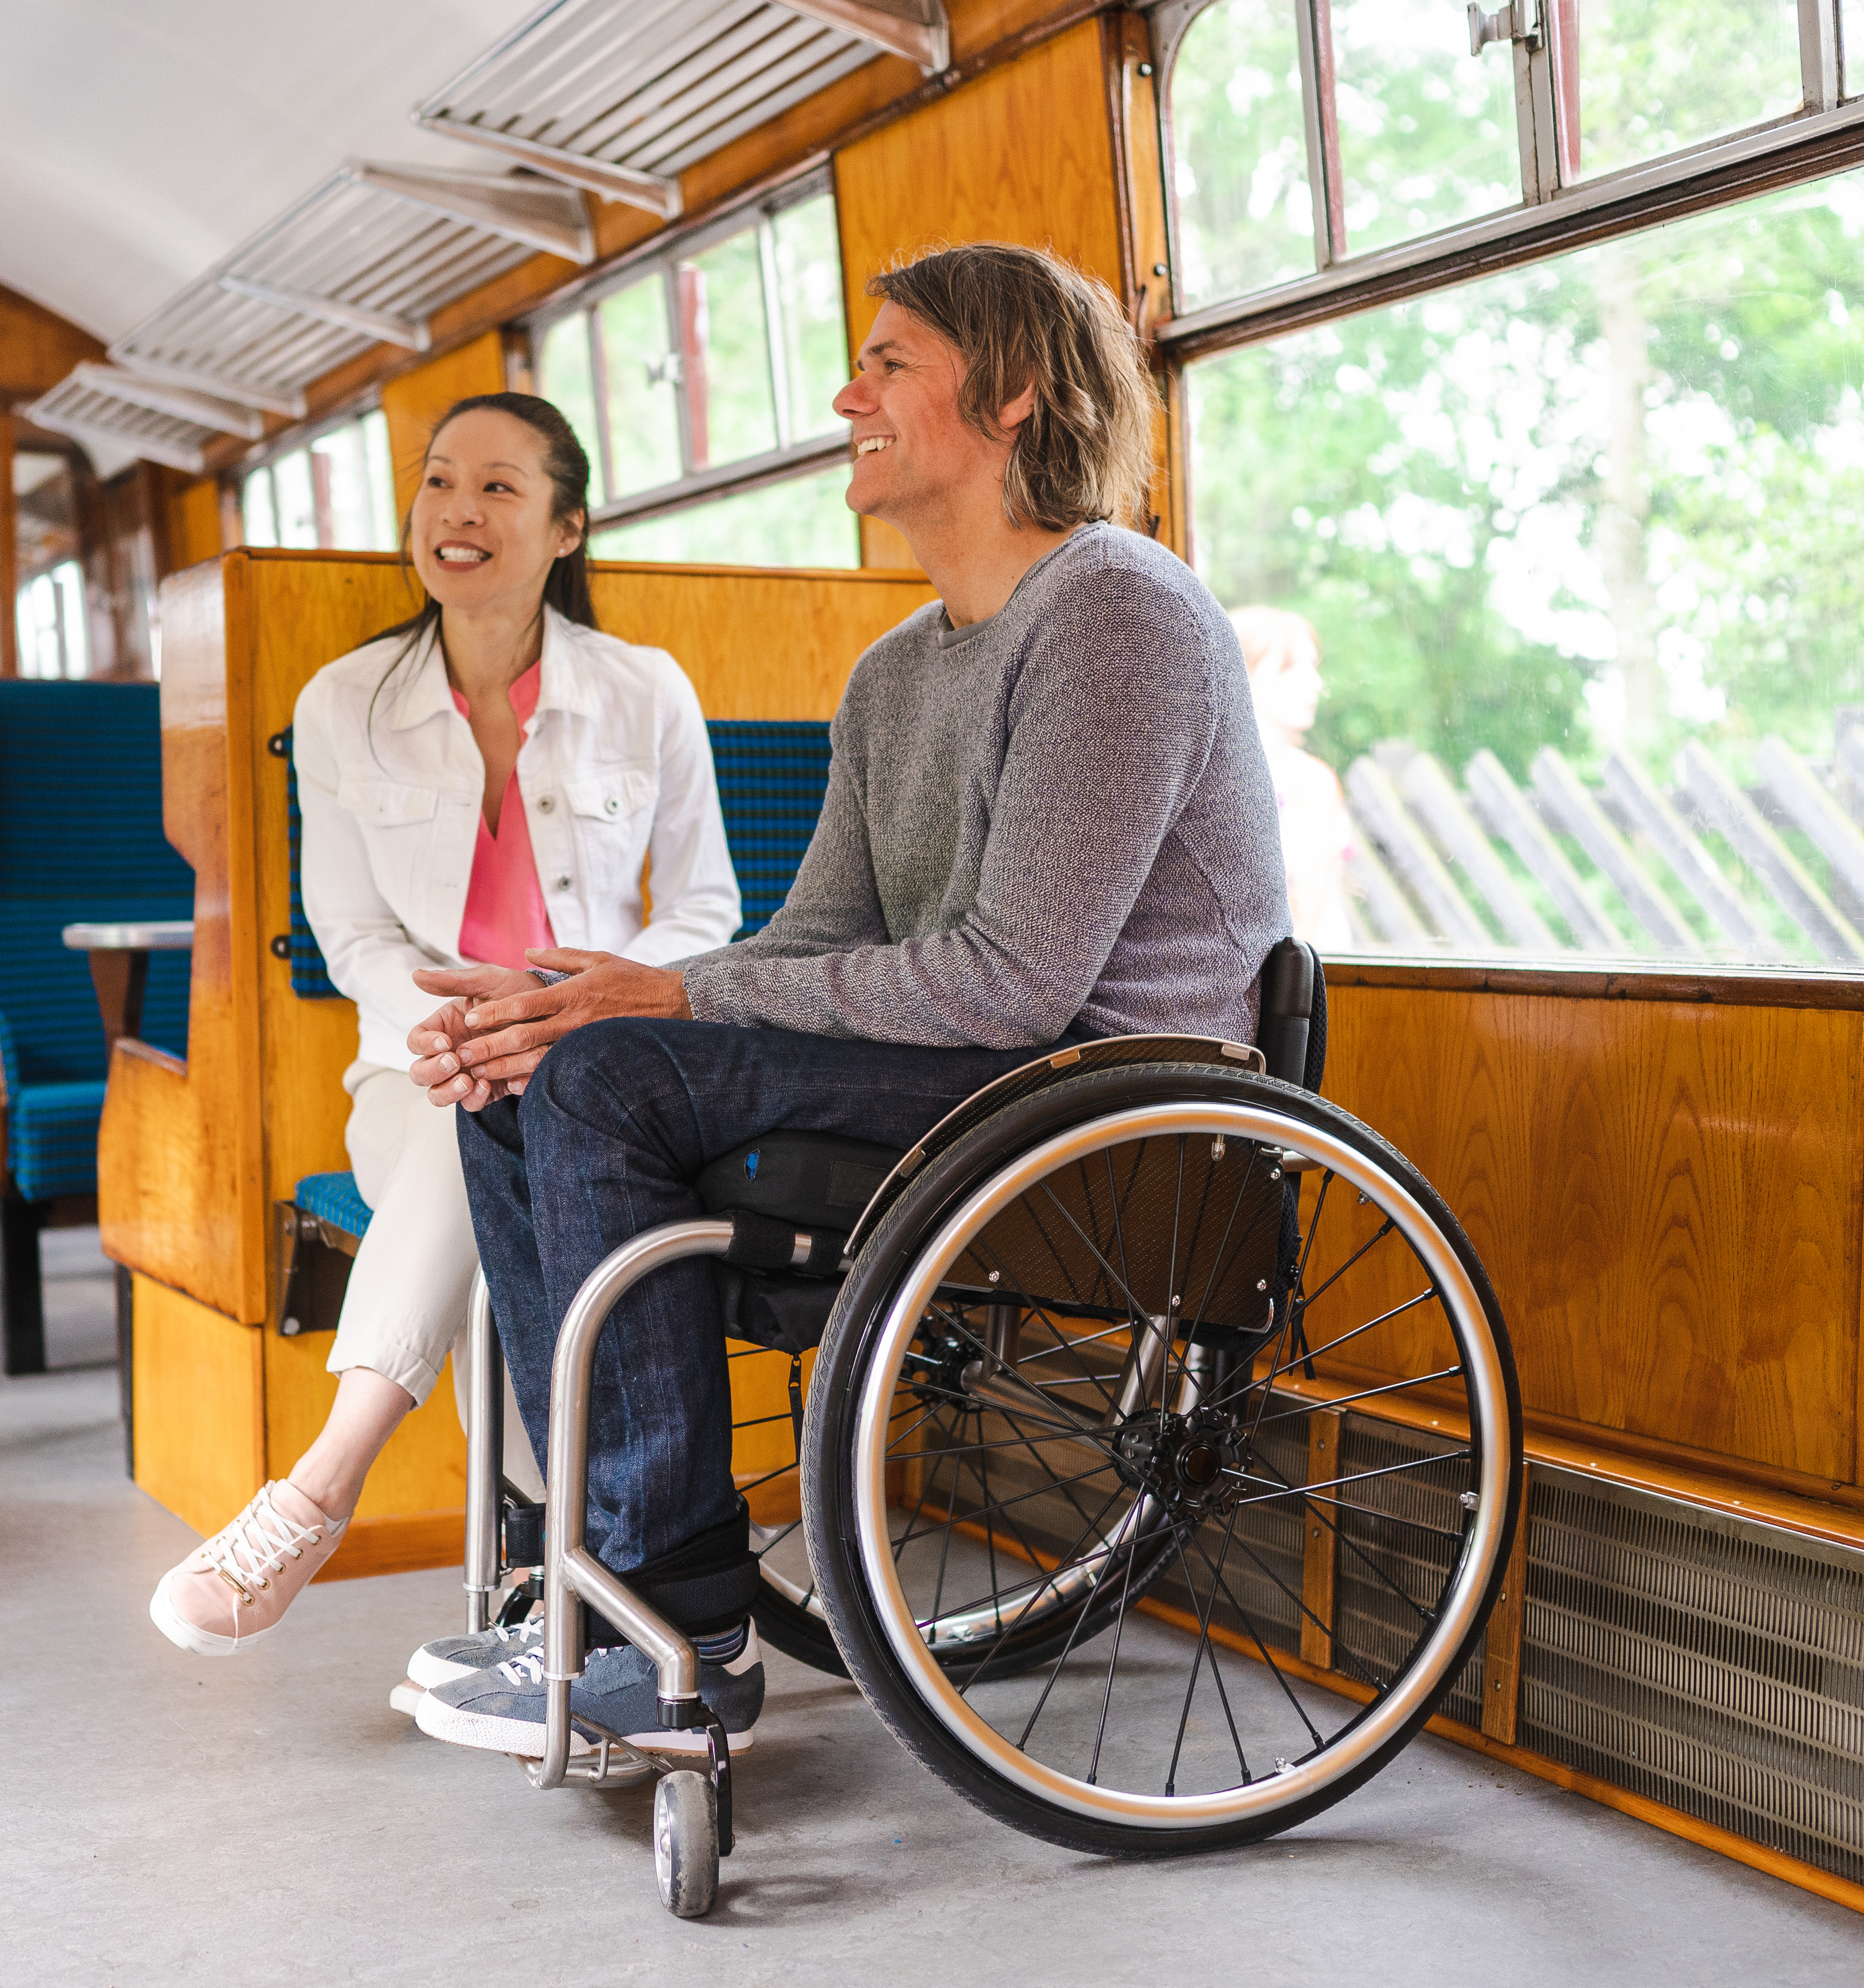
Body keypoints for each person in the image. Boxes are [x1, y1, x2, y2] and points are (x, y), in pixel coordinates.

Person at [397, 244, 1290, 1761]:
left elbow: (1020, 982)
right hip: (969, 1076)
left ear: (1012, 393)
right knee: (528, 1074)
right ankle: (603, 1576)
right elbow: (815, 941)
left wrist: (670, 999)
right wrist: (578, 1000)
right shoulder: (890, 676)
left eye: (889, 364)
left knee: (608, 1078)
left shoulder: (1117, 614)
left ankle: (673, 1620)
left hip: (1098, 1091)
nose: (846, 394)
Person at [147, 393, 741, 1657]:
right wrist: (472, 1033)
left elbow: (707, 909)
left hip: (608, 1059)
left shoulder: (648, 690)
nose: (456, 512)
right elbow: (352, 934)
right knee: (468, 1129)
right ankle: (555, 1567)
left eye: (499, 488)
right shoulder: (341, 701)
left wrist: (571, 1006)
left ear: (567, 525)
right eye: (436, 484)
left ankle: (326, 1485)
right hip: (417, 1064)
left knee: (515, 1147)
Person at [1232, 604, 1360, 946]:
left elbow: (1307, 918)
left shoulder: (1314, 781)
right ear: (1240, 672)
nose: (1315, 683)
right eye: (1292, 668)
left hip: (1307, 976)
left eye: (1314, 666)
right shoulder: (1217, 781)